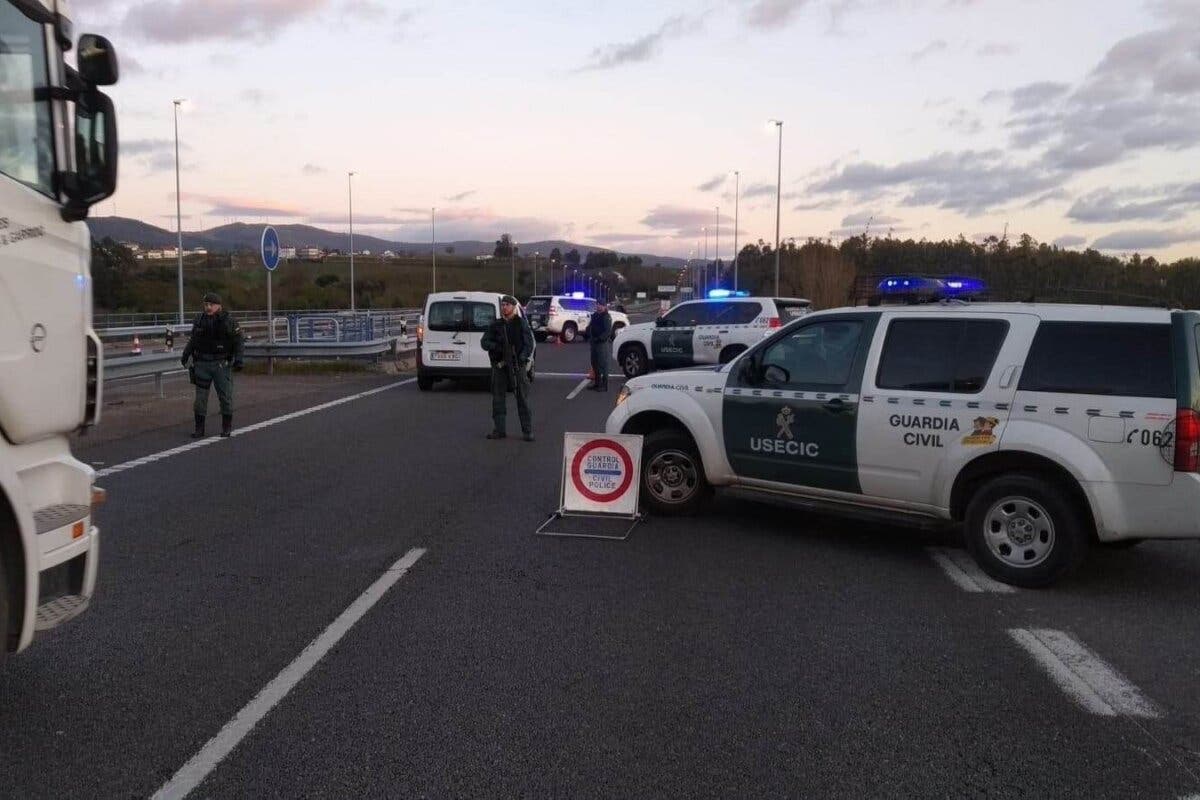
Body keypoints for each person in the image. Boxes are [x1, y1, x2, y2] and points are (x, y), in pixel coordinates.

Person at [181, 292, 245, 438]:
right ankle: (199, 428)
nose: (208, 307)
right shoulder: (199, 320)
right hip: (202, 364)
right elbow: (193, 340)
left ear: (219, 306)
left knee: (225, 397)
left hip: (221, 364)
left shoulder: (229, 321)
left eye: (211, 305)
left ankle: (226, 427)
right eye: (206, 304)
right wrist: (185, 355)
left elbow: (238, 342)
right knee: (200, 400)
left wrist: (239, 359)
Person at [481, 295, 535, 441]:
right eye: (503, 305)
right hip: (500, 366)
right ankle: (499, 430)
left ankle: (527, 431)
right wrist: (497, 347)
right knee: (498, 398)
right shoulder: (496, 325)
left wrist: (522, 357)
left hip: (517, 365)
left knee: (522, 398)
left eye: (507, 305)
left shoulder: (521, 323)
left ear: (513, 307)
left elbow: (528, 343)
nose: (504, 307)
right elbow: (484, 342)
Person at [587, 299, 613, 391]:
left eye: (600, 305)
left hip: (601, 343)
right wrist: (588, 333)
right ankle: (597, 383)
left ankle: (604, 385)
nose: (598, 306)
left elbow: (607, 331)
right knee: (594, 363)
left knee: (603, 364)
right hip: (594, 342)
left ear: (605, 306)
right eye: (597, 304)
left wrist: (600, 338)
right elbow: (591, 326)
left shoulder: (606, 316)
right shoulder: (595, 315)